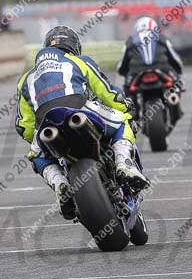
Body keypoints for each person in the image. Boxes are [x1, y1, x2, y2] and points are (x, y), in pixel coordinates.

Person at [15, 26, 149, 219]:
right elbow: (107, 93)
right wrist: (125, 106)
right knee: (122, 121)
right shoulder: (80, 62)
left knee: (37, 155)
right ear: (74, 46)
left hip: (46, 124)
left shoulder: (25, 79)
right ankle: (124, 165)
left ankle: (60, 183)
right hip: (80, 110)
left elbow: (25, 126)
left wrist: (34, 138)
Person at [117, 16, 184, 88]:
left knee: (127, 87)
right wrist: (178, 71)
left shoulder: (130, 40)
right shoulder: (161, 37)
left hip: (136, 71)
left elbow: (123, 63)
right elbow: (174, 57)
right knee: (177, 84)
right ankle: (174, 93)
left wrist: (124, 72)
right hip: (162, 68)